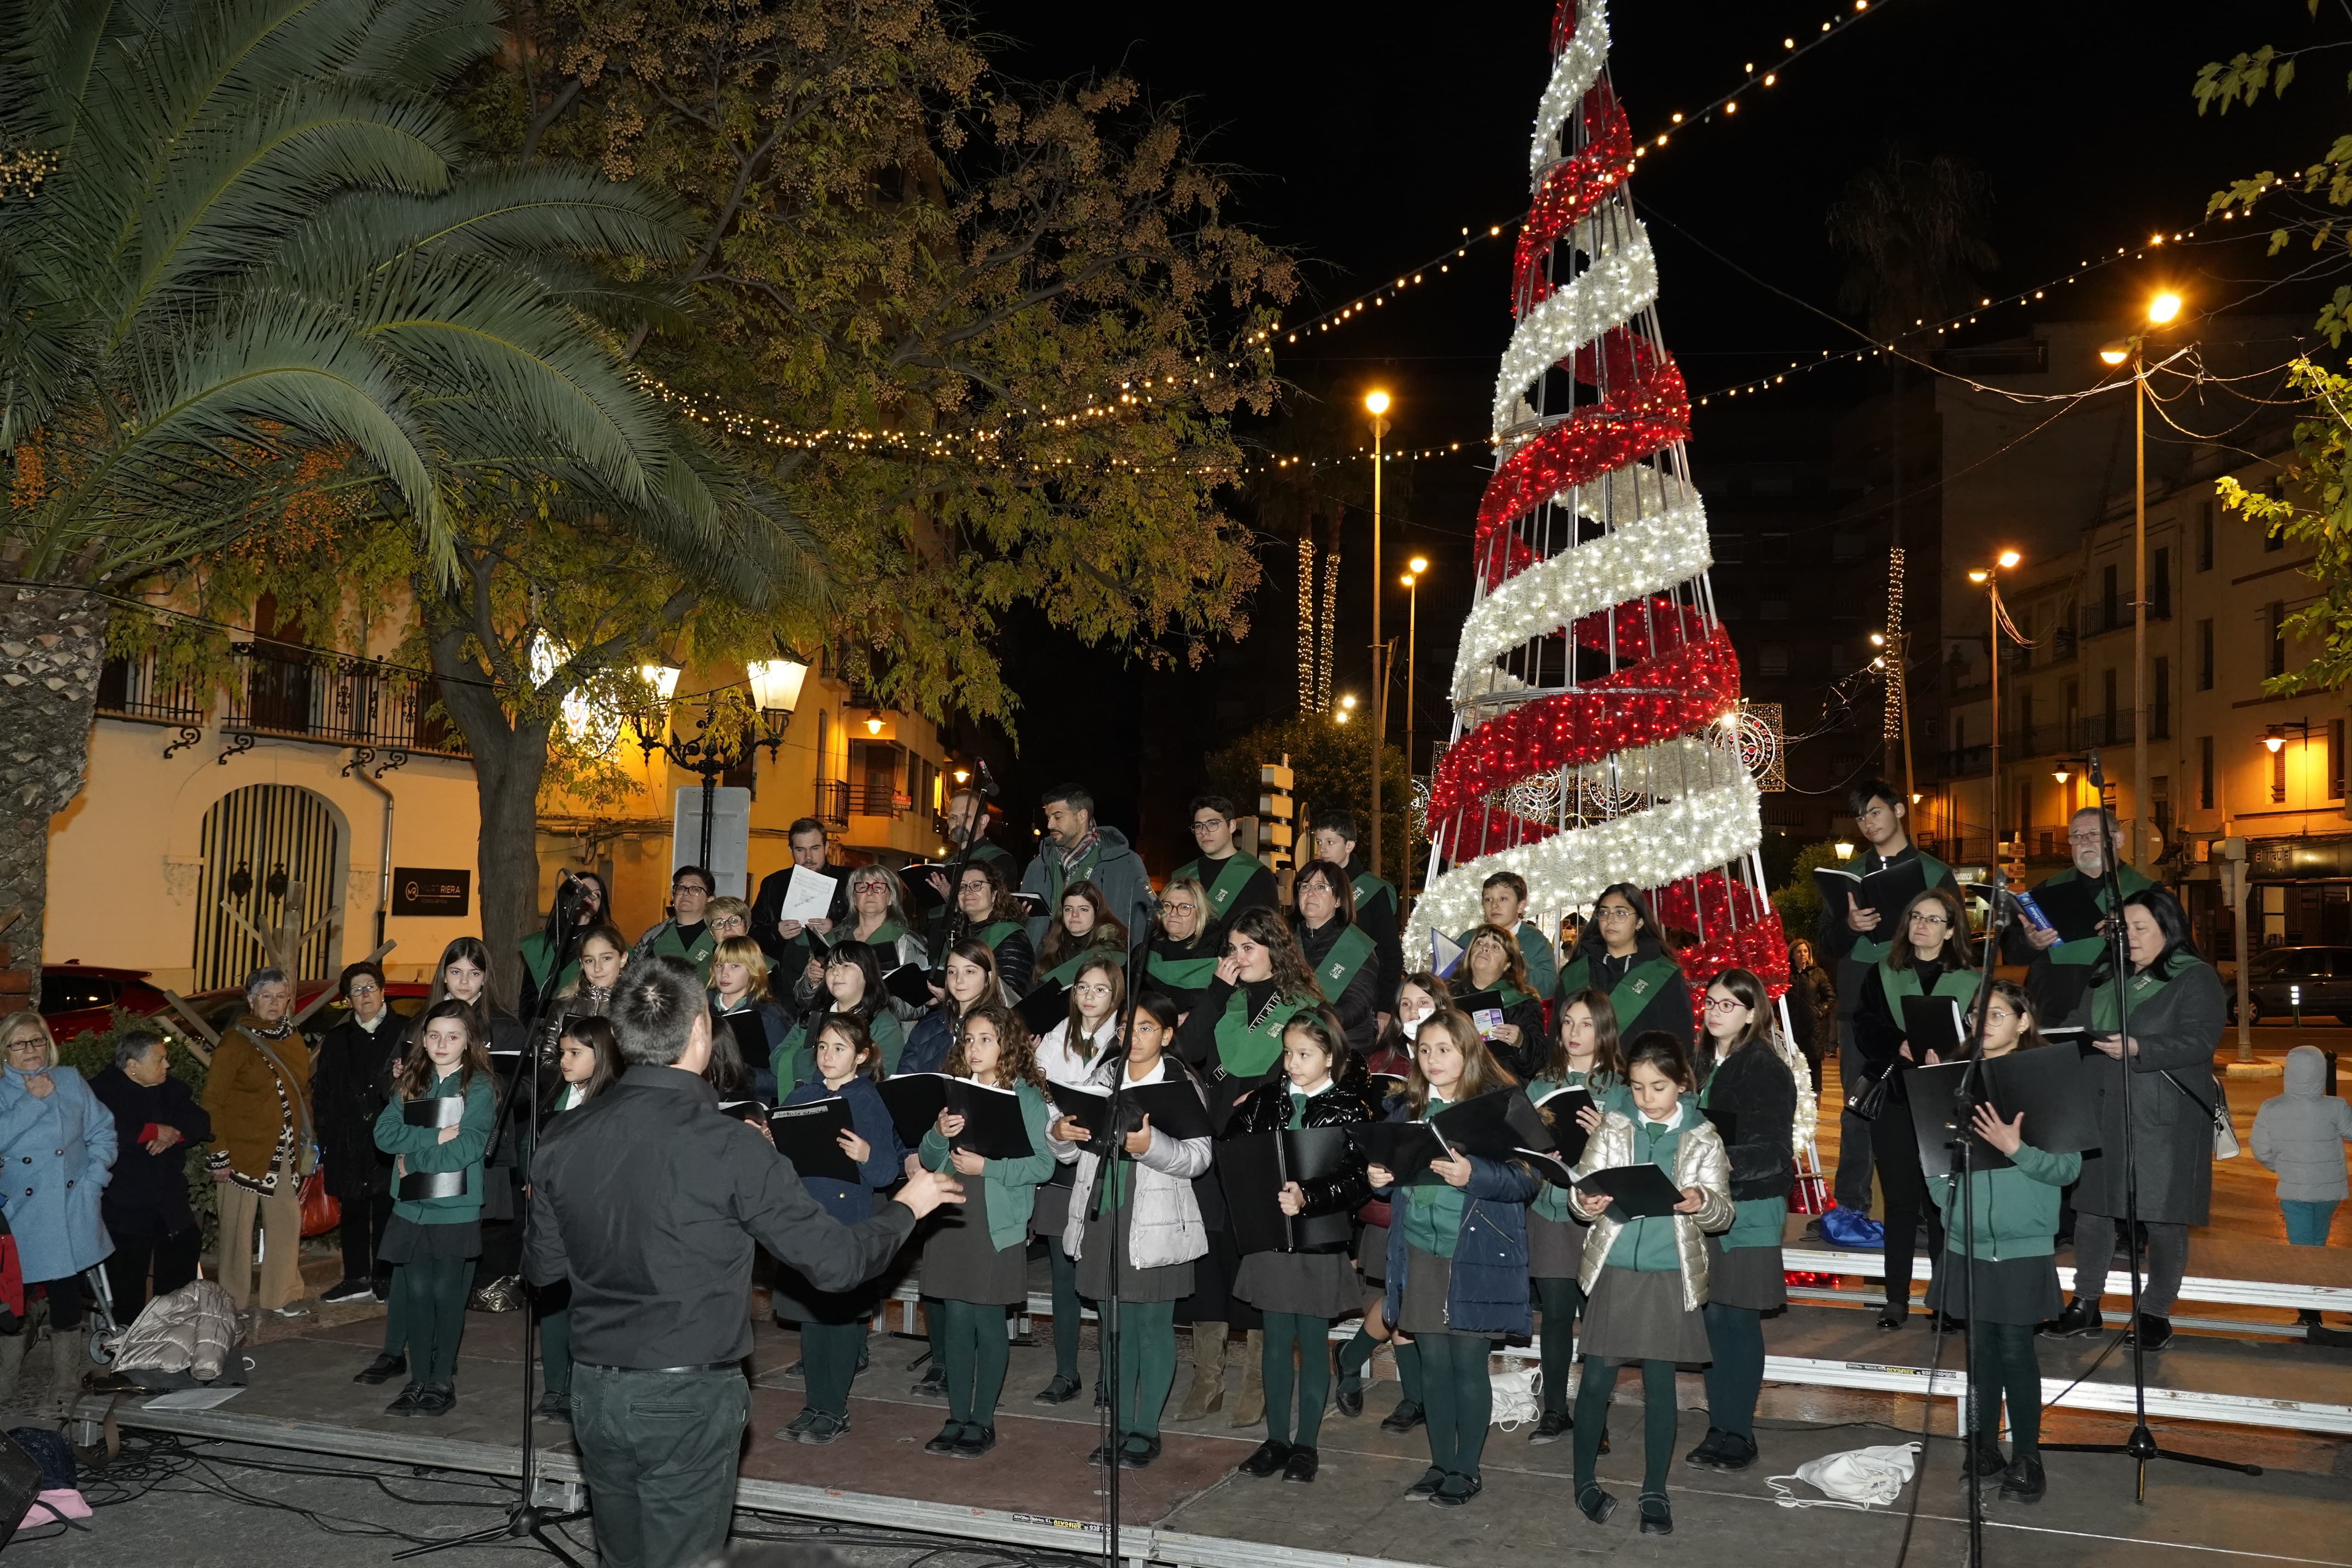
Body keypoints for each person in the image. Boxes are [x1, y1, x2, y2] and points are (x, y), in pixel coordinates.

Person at [525, 957, 959, 1568]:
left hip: (595, 1387)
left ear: (620, 1036)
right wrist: (908, 1208)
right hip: (687, 1393)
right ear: (702, 1030)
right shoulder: (731, 1145)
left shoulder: (562, 1137)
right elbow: (835, 1264)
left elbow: (544, 1270)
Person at [1365, 1009, 1538, 1509]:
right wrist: (1380, 1178)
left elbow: (1528, 1179)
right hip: (1419, 1250)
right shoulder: (1405, 1106)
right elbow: (1391, 1167)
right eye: (1424, 1049)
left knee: (1468, 1363)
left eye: (1444, 1048)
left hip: (1475, 1253)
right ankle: (1439, 1462)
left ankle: (1467, 1468)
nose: (1432, 1059)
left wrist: (1473, 1176)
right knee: (1432, 1365)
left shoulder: (1500, 1105)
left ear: (1467, 1051)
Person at [1566, 1030, 1734, 1536]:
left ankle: (1654, 1490)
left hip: (1667, 1272)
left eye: (1657, 1087)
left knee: (1661, 1386)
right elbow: (1581, 1189)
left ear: (1682, 1083)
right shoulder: (1614, 1128)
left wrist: (1700, 1201)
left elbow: (1723, 1213)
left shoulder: (1703, 1136)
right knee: (1596, 1380)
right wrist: (1586, 1202)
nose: (1646, 1098)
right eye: (1637, 1087)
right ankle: (1582, 1482)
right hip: (1615, 1268)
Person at [2044, 889, 2227, 1351]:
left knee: (2163, 1215)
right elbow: (2075, 1022)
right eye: (2124, 930)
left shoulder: (2194, 977)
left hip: (2162, 1115)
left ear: (2169, 927)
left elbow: (2200, 1040)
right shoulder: (2107, 976)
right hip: (2101, 1107)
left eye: (2141, 928)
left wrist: (2140, 1047)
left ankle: (2154, 1312)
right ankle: (2085, 1303)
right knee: (2092, 1210)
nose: (2131, 939)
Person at [1046, 992, 1213, 1470]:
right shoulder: (1103, 1077)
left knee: (1151, 1326)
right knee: (1114, 1327)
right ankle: (1117, 1424)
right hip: (1103, 1211)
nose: (1133, 1037)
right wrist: (1059, 1137)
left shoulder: (1180, 1083)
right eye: (1126, 1028)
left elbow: (1199, 1157)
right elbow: (1072, 1148)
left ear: (1166, 1033)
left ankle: (1145, 1428)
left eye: (1145, 1028)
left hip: (1156, 1216)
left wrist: (1151, 1144)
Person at [1923, 979, 2073, 1504]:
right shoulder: (1954, 1078)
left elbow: (2067, 1166)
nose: (1982, 1024)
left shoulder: (2048, 1079)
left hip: (2021, 1241)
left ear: (2022, 1021)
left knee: (2015, 1349)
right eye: (1975, 1015)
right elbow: (1931, 1155)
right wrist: (1949, 1206)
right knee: (1978, 1352)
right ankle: (1982, 1447)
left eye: (1995, 1015)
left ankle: (2027, 1457)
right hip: (1966, 1242)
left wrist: (2017, 1149)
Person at [1225, 1009, 1379, 1485]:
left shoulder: (1351, 1107)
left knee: (1312, 1342)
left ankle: (1306, 1443)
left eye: (1304, 1053)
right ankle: (1275, 1439)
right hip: (1273, 1233)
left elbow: (1357, 1178)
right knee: (1274, 1339)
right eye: (1287, 1052)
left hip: (1317, 1236)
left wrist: (1310, 1196)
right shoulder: (1268, 1097)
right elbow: (1233, 1149)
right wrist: (1239, 1115)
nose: (1291, 1062)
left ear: (1330, 1056)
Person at [917, 1004, 1055, 1459]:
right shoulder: (952, 1093)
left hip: (996, 1221)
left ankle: (982, 1419)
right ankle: (956, 1415)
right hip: (952, 1214)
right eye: (969, 1038)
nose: (974, 1047)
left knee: (987, 1319)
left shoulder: (1026, 1097)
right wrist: (938, 1132)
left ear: (1007, 1045)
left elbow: (1043, 1163)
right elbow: (929, 1156)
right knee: (955, 1320)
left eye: (985, 1039)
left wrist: (988, 1166)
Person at [1818, 779, 1958, 1220]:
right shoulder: (1849, 876)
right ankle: (1851, 1205)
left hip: (1920, 995)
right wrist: (1850, 926)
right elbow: (1826, 943)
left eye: (1875, 812)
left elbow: (1958, 942)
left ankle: (1926, 1208)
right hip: (1860, 1000)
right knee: (1858, 1104)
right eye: (1861, 816)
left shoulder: (1934, 873)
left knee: (1923, 1104)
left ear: (1899, 811)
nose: (1867, 823)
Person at [773, 1015, 905, 1446]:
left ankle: (834, 1407)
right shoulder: (802, 1094)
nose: (829, 1056)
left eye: (840, 1048)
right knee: (813, 1317)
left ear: (862, 1056)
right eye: (824, 1047)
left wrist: (866, 1153)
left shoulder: (866, 1100)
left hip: (850, 1222)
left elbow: (887, 1171)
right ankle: (814, 1403)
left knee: (843, 1319)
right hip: (809, 1215)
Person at [1687, 968, 1798, 1473]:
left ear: (1752, 1012)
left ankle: (1739, 1432)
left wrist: (1725, 1161)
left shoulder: (1763, 1066)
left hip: (1749, 1207)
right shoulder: (1704, 1060)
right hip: (1707, 1206)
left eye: (1727, 1004)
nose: (1713, 1010)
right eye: (1710, 1001)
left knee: (1738, 1319)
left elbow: (1774, 1150)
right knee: (1713, 1320)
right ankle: (1719, 1425)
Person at [1853, 884, 1979, 1329]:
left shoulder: (1971, 980)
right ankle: (1895, 1299)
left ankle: (1945, 1300)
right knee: (1900, 1202)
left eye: (1932, 919)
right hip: (1894, 1099)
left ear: (1950, 931)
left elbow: (1985, 1040)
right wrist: (1898, 1044)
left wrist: (1950, 1052)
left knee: (1942, 1205)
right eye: (1915, 917)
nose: (1921, 925)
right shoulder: (1883, 972)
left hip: (1944, 1100)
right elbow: (1863, 1027)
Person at [365, 999, 498, 1416]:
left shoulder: (477, 1087)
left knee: (446, 1293)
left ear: (468, 1041)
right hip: (411, 1208)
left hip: (453, 1208)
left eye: (453, 1036)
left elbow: (470, 1145)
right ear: (423, 1038)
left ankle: (442, 1380)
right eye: (435, 1034)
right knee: (418, 1293)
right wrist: (435, 1138)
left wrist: (415, 1159)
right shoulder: (413, 1082)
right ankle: (417, 1380)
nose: (442, 1043)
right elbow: (384, 1134)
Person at [1332, 972, 1450, 1429]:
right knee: (1398, 1298)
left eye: (1424, 1002)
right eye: (1404, 1004)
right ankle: (1413, 1397)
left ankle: (1353, 1354)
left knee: (1412, 1298)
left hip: (1440, 1198)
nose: (1413, 1011)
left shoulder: (1459, 1060)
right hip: (1391, 1199)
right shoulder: (1378, 1060)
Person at [1522, 988, 1627, 1444]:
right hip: (1549, 1208)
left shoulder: (1622, 1088)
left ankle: (1594, 1415)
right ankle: (1553, 1410)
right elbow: (1519, 1149)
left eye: (1585, 1023)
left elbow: (1639, 1155)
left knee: (1599, 1319)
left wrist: (1606, 1131)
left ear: (1603, 1029)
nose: (1574, 1032)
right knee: (1557, 1314)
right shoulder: (1539, 1083)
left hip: (1602, 1215)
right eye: (1567, 1021)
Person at [0, 1010, 116, 1409]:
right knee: (15, 1297)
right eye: (19, 1043)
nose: (30, 1050)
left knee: (68, 1293)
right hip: (19, 1213)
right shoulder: (1, 1091)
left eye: (36, 1041)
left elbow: (102, 1130)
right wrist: (32, 1102)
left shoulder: (69, 1079)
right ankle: (5, 1379)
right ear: (5, 1051)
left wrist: (94, 1180)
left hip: (71, 1205)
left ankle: (66, 1380)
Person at [1028, 957, 1126, 1405]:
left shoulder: (1124, 1039)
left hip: (1103, 1161)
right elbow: (1039, 1089)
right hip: (1059, 1158)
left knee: (1103, 1274)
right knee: (1063, 1275)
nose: (1088, 995)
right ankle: (1066, 1372)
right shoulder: (1055, 1035)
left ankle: (1110, 1373)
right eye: (1082, 987)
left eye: (1100, 989)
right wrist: (1056, 1125)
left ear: (1116, 995)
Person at [199, 968, 311, 1319]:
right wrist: (218, 1155)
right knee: (236, 1230)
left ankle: (282, 1293)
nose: (275, 1003)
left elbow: (303, 1094)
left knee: (286, 1222)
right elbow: (212, 1101)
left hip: (284, 1150)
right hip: (242, 1153)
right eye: (267, 996)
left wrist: (310, 1142)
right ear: (251, 1000)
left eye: (281, 996)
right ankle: (233, 1300)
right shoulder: (236, 1041)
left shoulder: (293, 1039)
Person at [425, 936, 527, 1307]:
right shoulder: (426, 1022)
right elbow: (398, 1083)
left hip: (488, 1143)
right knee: (438, 1223)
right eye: (456, 972)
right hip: (432, 1141)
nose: (464, 981)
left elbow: (529, 1087)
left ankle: (485, 1290)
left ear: (486, 978)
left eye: (473, 973)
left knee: (488, 1224)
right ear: (444, 975)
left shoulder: (506, 1026)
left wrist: (481, 1090)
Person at [534, 1015, 624, 1421]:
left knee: (587, 1306)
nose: (564, 1060)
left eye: (575, 1053)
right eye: (563, 1052)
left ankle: (583, 1390)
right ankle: (555, 1387)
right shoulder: (556, 1092)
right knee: (552, 1297)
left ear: (601, 1055)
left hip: (593, 1214)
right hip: (556, 1209)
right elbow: (532, 1140)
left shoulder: (615, 1100)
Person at [90, 1029, 208, 1321]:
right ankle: (127, 1338)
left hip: (168, 1200)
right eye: (160, 1060)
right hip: (125, 1203)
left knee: (183, 1251)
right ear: (132, 1065)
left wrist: (175, 1135)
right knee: (127, 1277)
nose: (167, 1066)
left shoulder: (169, 1088)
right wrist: (153, 1131)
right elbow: (105, 1129)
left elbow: (200, 1121)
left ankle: (172, 1329)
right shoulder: (101, 1091)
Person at [2005, 807, 2154, 1025]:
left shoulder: (2148, 894)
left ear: (2118, 839)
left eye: (2094, 834)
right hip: (2048, 1014)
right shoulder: (2046, 890)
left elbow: (2171, 957)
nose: (2084, 842)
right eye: (2076, 836)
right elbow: (2013, 954)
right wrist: (2030, 942)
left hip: (2114, 1015)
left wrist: (2123, 941)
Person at [313, 961, 402, 1304]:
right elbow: (322, 1091)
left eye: (370, 987)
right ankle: (355, 1277)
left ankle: (384, 1276)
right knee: (351, 1207)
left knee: (386, 1206)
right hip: (347, 1137)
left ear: (382, 990)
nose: (364, 995)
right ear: (348, 999)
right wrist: (327, 1136)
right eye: (356, 990)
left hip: (389, 1134)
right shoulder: (337, 1039)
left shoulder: (404, 1031)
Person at [2253, 1043, 2352, 1339]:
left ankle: (2310, 1314)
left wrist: (2280, 1167)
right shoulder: (2335, 1106)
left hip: (2294, 1191)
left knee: (2301, 1248)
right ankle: (2321, 1302)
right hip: (2329, 1190)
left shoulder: (2272, 1107)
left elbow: (2261, 1149)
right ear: (2322, 1073)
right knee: (2317, 1243)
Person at [1555, 883, 1693, 1057]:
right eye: (1604, 913)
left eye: (1621, 913)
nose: (1610, 920)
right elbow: (1556, 1037)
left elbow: (1680, 1042)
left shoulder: (1663, 973)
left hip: (1639, 1080)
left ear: (1640, 922)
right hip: (1580, 1079)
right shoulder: (1575, 973)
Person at [1019, 782, 1154, 944]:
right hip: (1046, 966)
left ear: (1082, 816)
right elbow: (1026, 928)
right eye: (1049, 818)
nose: (1050, 825)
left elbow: (1142, 929)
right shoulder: (1038, 867)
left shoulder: (1127, 864)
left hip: (1102, 965)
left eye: (1058, 817)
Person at [773, 941, 908, 1087]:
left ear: (868, 975)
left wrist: (808, 1060)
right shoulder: (814, 1015)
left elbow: (879, 1078)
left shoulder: (884, 1023)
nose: (835, 972)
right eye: (831, 967)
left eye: (846, 966)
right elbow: (777, 1060)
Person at [1311, 810, 1402, 1024]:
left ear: (1349, 846)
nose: (1322, 849)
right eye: (1319, 842)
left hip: (1361, 1003)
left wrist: (1385, 1008)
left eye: (1331, 842)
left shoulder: (1373, 891)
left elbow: (1391, 954)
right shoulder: (1311, 886)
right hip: (1315, 998)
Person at [1290, 860, 1381, 1058]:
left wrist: (1314, 1021)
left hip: (1344, 1048)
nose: (1311, 893)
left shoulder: (1356, 945)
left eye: (1321, 887)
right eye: (1305, 886)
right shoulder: (1286, 941)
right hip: (1295, 1047)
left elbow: (1357, 1003)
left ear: (1338, 900)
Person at [1170, 794, 1281, 940]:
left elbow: (1269, 935)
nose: (1204, 832)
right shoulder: (1182, 876)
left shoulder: (1257, 875)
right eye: (1198, 826)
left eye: (1213, 824)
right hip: (1187, 962)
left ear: (1232, 826)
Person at [754, 818, 853, 979]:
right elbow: (753, 933)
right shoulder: (773, 884)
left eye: (815, 848)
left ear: (827, 847)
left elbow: (867, 925)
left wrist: (835, 928)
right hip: (785, 980)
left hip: (836, 975)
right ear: (790, 850)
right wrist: (776, 932)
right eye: (800, 850)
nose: (808, 857)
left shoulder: (849, 880)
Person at [1454, 922, 1549, 1083]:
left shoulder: (1523, 1002)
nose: (1484, 948)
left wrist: (1521, 1041)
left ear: (1508, 964)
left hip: (1501, 1090)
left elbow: (1539, 1062)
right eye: (1480, 943)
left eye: (1495, 947)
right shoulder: (1449, 995)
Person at [933, 858, 1035, 996]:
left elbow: (1009, 996)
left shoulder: (1012, 937)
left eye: (977, 886)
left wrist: (951, 997)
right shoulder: (958, 934)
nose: (968, 892)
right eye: (962, 887)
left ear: (994, 895)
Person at [904, 940, 1005, 1078]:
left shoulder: (1003, 1026)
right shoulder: (928, 1026)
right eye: (952, 972)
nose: (959, 980)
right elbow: (905, 1079)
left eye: (969, 972)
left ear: (989, 977)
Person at [838, 864, 928, 1017]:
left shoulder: (907, 943)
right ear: (854, 898)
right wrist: (812, 983)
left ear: (891, 898)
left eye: (879, 887)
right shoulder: (834, 939)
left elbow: (918, 1007)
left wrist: (872, 999)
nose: (870, 893)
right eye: (862, 887)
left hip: (887, 1032)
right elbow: (805, 998)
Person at [520, 870, 610, 1019]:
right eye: (584, 891)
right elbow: (528, 1001)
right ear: (568, 896)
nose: (591, 897)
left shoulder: (607, 945)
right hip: (541, 1027)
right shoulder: (539, 944)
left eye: (597, 895)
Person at [710, 935, 788, 1099]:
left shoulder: (769, 1016)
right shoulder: (699, 1009)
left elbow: (782, 1080)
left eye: (735, 966)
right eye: (720, 965)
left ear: (753, 970)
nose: (724, 973)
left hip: (750, 1107)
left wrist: (741, 1074)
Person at [1462, 871, 1557, 1001]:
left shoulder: (1536, 941)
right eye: (1488, 899)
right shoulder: (1470, 938)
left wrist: (1516, 960)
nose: (1494, 905)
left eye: (1503, 899)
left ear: (1520, 906)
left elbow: (1549, 988)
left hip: (1514, 1014)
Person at [1031, 881, 1131, 995]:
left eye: (1083, 909)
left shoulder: (1112, 951)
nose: (1075, 915)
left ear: (1097, 912)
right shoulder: (1049, 945)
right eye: (1068, 909)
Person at [1142, 875, 1217, 1017]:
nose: (1173, 914)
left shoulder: (1216, 954)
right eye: (1168, 905)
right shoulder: (1145, 951)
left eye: (1184, 907)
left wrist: (1194, 1016)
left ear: (1200, 912)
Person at [634, 864, 721, 981]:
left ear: (710, 900)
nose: (685, 893)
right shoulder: (654, 936)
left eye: (695, 889)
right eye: (681, 888)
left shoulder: (720, 934)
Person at [1784, 936, 1833, 1093]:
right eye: (1799, 952)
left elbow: (1830, 997)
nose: (1803, 954)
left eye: (1805, 951)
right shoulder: (1786, 975)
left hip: (1813, 1028)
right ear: (1793, 955)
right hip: (1791, 1027)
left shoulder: (1817, 973)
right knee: (1792, 1063)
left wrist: (1820, 1011)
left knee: (1814, 1063)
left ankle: (1815, 1098)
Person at [554, 923, 630, 1020]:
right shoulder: (563, 1006)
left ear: (623, 959)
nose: (597, 968)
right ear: (582, 964)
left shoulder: (640, 1008)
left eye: (606, 958)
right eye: (590, 961)